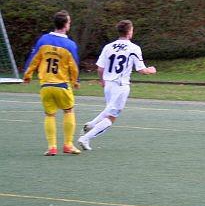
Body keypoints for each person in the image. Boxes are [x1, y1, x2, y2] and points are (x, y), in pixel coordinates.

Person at [77, 19, 156, 151]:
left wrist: (102, 81)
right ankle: (85, 138)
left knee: (109, 109)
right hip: (121, 85)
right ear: (129, 32)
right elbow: (141, 70)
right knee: (112, 117)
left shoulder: (108, 47)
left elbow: (100, 68)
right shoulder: (134, 48)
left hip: (108, 85)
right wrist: (151, 70)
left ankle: (91, 124)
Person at [22, 10, 81, 156]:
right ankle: (68, 145)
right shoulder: (70, 45)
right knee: (68, 111)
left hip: (45, 86)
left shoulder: (43, 40)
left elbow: (34, 59)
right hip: (62, 85)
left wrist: (27, 75)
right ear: (66, 25)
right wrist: (75, 81)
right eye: (69, 22)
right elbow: (74, 66)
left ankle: (52, 147)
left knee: (50, 115)